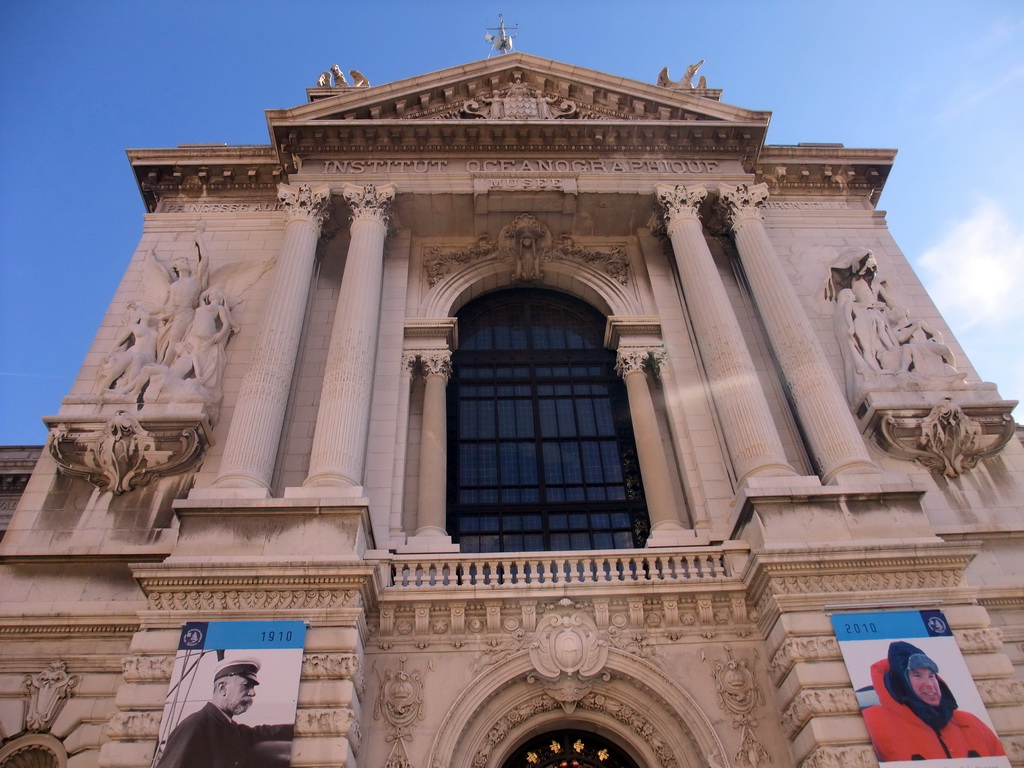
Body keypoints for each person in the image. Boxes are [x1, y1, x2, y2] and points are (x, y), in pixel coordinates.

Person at [862, 641, 1005, 762]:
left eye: (931, 676)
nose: (930, 684)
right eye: (918, 675)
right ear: (901, 682)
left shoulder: (971, 723)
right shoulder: (874, 722)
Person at [154, 658, 293, 768]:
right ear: (222, 688)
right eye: (246, 686)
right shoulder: (195, 726)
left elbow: (261, 733)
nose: (253, 693)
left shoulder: (228, 727)